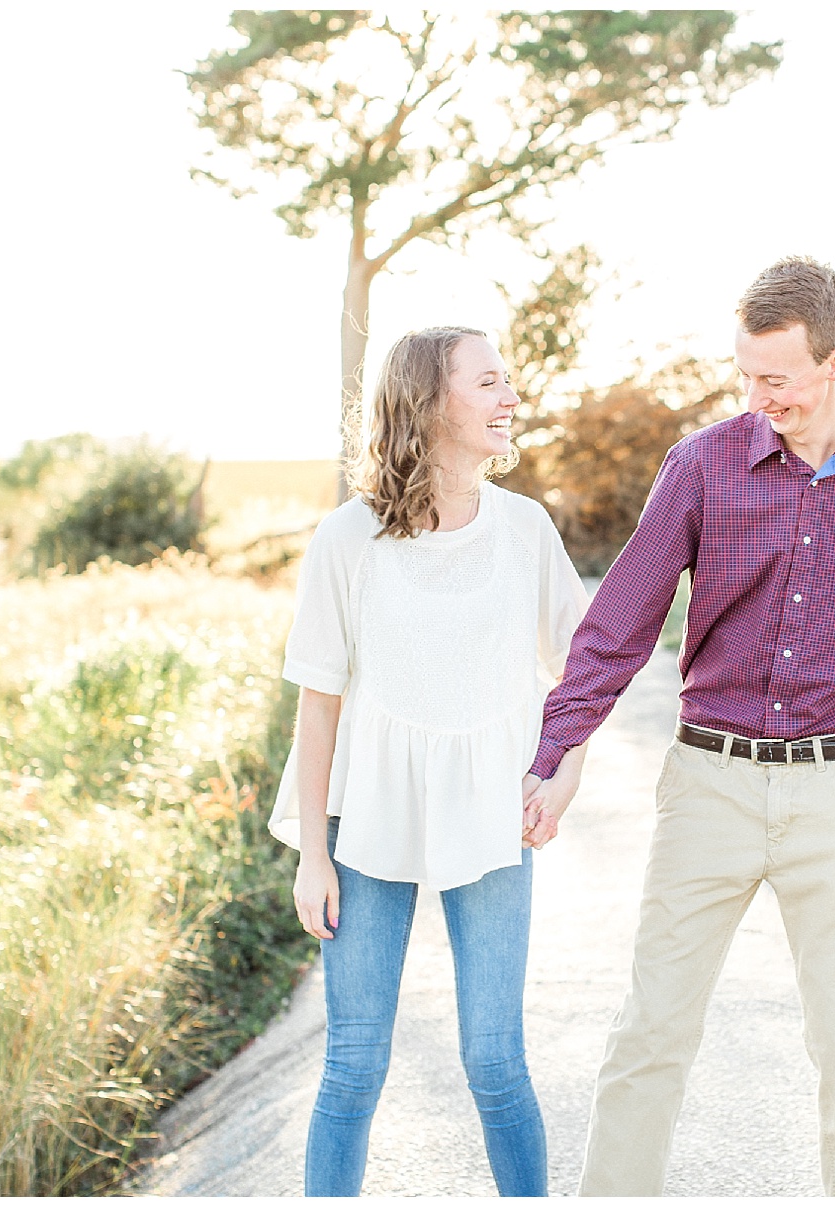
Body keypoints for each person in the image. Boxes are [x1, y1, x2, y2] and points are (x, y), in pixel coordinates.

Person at [522, 256, 835, 1196]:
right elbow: (617, 626)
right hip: (711, 784)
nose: (757, 397)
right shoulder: (702, 467)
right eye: (745, 375)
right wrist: (557, 746)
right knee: (651, 1033)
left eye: (777, 378)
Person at [269, 326, 590, 1198]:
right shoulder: (348, 538)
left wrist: (564, 773)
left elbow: (582, 668)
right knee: (353, 1064)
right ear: (430, 403)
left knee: (496, 1060)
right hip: (365, 823)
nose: (510, 397)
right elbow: (319, 705)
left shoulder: (525, 529)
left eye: (507, 380)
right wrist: (311, 853)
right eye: (488, 382)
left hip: (491, 818)